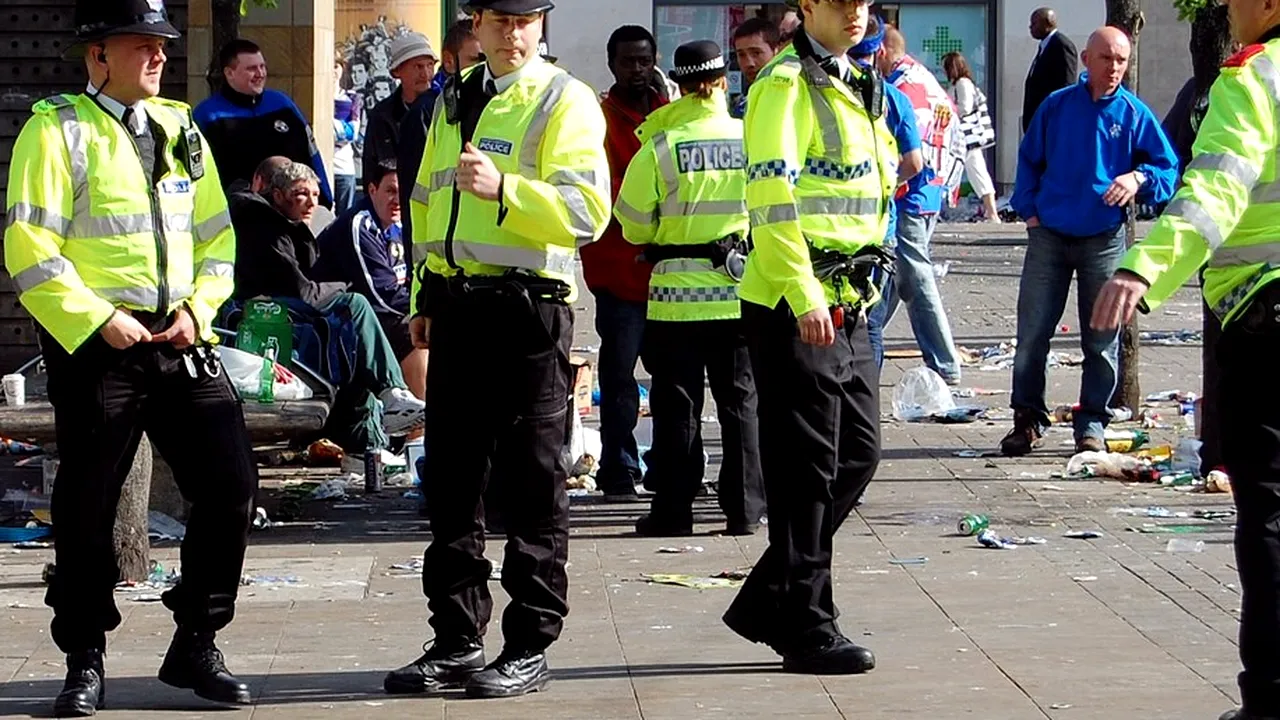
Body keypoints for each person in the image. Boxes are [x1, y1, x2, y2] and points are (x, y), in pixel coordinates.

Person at [3, 0, 258, 714]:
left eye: (162, 44)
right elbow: (28, 246)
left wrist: (197, 311)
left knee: (232, 482)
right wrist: (96, 318)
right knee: (88, 503)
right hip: (99, 345)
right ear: (97, 56)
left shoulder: (181, 129)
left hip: (179, 339)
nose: (157, 56)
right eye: (140, 44)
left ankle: (196, 640)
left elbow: (217, 241)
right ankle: (84, 656)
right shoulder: (56, 129)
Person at [386, 0, 609, 699]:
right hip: (456, 308)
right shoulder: (457, 98)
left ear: (540, 26)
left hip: (526, 312)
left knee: (533, 482)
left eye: (527, 21)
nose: (514, 35)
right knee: (451, 482)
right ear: (474, 25)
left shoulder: (562, 99)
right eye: (500, 21)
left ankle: (528, 643)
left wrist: (507, 189)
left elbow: (588, 213)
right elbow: (426, 204)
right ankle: (455, 638)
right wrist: (423, 295)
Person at [1092, 4, 1280, 718]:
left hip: (1266, 319)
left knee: (1268, 513)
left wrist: (1146, 270)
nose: (1228, 10)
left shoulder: (1255, 77)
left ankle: (1270, 697)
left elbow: (1217, 188)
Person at [723, 0, 896, 675]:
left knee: (858, 453)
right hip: (797, 300)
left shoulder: (857, 82)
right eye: (837, 1)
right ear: (807, 8)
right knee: (806, 474)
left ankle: (771, 595)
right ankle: (806, 622)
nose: (854, 12)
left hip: (851, 298)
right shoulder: (784, 87)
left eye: (861, 1)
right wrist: (805, 292)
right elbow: (773, 200)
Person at [614, 39, 765, 537]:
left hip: (675, 301)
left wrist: (664, 234)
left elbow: (632, 223)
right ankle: (744, 510)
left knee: (678, 407)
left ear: (677, 85)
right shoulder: (751, 139)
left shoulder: (661, 145)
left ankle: (674, 511)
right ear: (724, 81)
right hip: (738, 292)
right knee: (740, 404)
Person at [1004, 26, 1178, 457]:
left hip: (1102, 237)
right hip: (1049, 234)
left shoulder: (1135, 114)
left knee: (1100, 341)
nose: (1115, 68)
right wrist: (1029, 211)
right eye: (1106, 58)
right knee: (1031, 335)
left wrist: (1138, 177)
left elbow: (1168, 170)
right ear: (1086, 60)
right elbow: (1029, 159)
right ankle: (1027, 419)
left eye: (1122, 60)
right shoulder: (1057, 106)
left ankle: (1092, 422)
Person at [228, 160, 426, 444]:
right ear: (278, 195)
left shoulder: (289, 224)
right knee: (355, 306)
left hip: (290, 309)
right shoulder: (264, 227)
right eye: (301, 194)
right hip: (268, 312)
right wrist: (344, 284)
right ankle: (392, 397)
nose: (311, 204)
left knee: (355, 341)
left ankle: (371, 441)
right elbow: (303, 291)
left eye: (315, 195)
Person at [583, 25, 666, 500]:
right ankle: (618, 467)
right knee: (618, 380)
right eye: (628, 61)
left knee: (672, 379)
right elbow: (605, 190)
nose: (637, 70)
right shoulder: (599, 119)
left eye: (644, 60)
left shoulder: (670, 115)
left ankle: (670, 464)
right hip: (618, 270)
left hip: (669, 274)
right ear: (612, 64)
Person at [877, 26, 965, 385]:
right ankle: (864, 344)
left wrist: (880, 187)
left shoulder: (902, 89)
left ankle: (944, 362)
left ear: (881, 50)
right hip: (929, 189)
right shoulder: (924, 79)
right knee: (896, 275)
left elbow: (909, 155)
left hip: (910, 193)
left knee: (913, 274)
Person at [316, 159, 428, 401]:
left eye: (402, 191)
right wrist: (425, 309)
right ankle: (416, 431)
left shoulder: (401, 224)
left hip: (380, 309)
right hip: (343, 317)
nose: (397, 199)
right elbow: (383, 294)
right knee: (417, 332)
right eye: (390, 191)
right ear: (372, 189)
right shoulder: (360, 224)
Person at [849, 16, 924, 370]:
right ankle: (866, 404)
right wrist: (887, 184)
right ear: (879, 50)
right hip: (881, 228)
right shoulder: (894, 98)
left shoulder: (828, 94)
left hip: (834, 228)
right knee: (872, 323)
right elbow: (914, 161)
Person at [193, 38, 334, 207]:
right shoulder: (208, 116)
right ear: (229, 73)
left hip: (293, 211)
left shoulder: (283, 105)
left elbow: (312, 154)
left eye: (262, 66)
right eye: (252, 69)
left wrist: (325, 199)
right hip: (239, 215)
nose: (260, 74)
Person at [400, 19, 483, 247]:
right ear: (448, 61)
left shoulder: (495, 103)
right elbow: (414, 197)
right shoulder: (428, 111)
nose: (485, 68)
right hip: (439, 262)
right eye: (476, 59)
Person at [364, 32, 439, 186]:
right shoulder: (382, 115)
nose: (425, 74)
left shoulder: (446, 107)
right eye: (418, 67)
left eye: (430, 65)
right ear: (397, 71)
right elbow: (371, 169)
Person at [942, 51, 999, 223]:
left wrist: (949, 113)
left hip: (967, 138)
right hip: (965, 138)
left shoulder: (962, 83)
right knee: (973, 172)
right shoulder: (961, 83)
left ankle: (992, 212)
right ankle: (990, 211)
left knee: (976, 172)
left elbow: (965, 108)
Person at [1024, 7, 1079, 133]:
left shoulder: (1061, 45)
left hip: (1051, 123)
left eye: (1034, 23)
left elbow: (1067, 84)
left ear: (1047, 24)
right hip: (1037, 121)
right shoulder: (1044, 46)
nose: (1030, 27)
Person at [730, 17, 781, 118]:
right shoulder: (741, 105)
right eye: (741, 55)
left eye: (756, 53)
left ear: (776, 51)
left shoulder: (790, 95)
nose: (749, 63)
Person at [333, 57, 363, 213]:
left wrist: (331, 124)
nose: (332, 70)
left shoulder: (352, 98)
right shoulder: (314, 97)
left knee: (345, 218)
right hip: (321, 168)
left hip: (344, 168)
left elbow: (352, 134)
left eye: (336, 65)